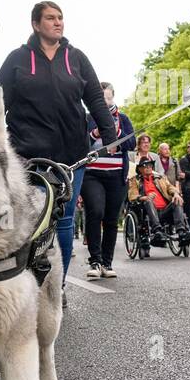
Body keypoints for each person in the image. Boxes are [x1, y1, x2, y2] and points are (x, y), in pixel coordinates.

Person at [0, 1, 117, 288]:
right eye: (51, 18)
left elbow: (95, 100)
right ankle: (26, 283)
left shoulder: (76, 58)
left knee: (62, 219)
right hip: (27, 156)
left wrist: (109, 137)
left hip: (71, 155)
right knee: (33, 218)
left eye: (61, 17)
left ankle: (56, 287)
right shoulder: (17, 59)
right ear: (36, 25)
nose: (58, 22)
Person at [83, 83, 135, 279]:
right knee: (95, 212)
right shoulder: (88, 119)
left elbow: (132, 143)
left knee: (112, 220)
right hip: (92, 174)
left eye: (108, 98)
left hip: (116, 175)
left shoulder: (123, 119)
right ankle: (95, 261)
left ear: (113, 98)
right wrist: (95, 133)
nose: (105, 103)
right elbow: (81, 144)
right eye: (101, 99)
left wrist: (117, 133)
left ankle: (107, 262)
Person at [127, 156, 190, 243]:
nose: (148, 167)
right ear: (140, 169)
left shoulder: (160, 178)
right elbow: (132, 195)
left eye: (150, 165)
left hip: (165, 210)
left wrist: (176, 193)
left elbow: (170, 187)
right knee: (148, 200)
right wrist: (144, 197)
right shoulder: (135, 180)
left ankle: (181, 232)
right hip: (148, 212)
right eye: (145, 166)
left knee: (177, 200)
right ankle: (157, 231)